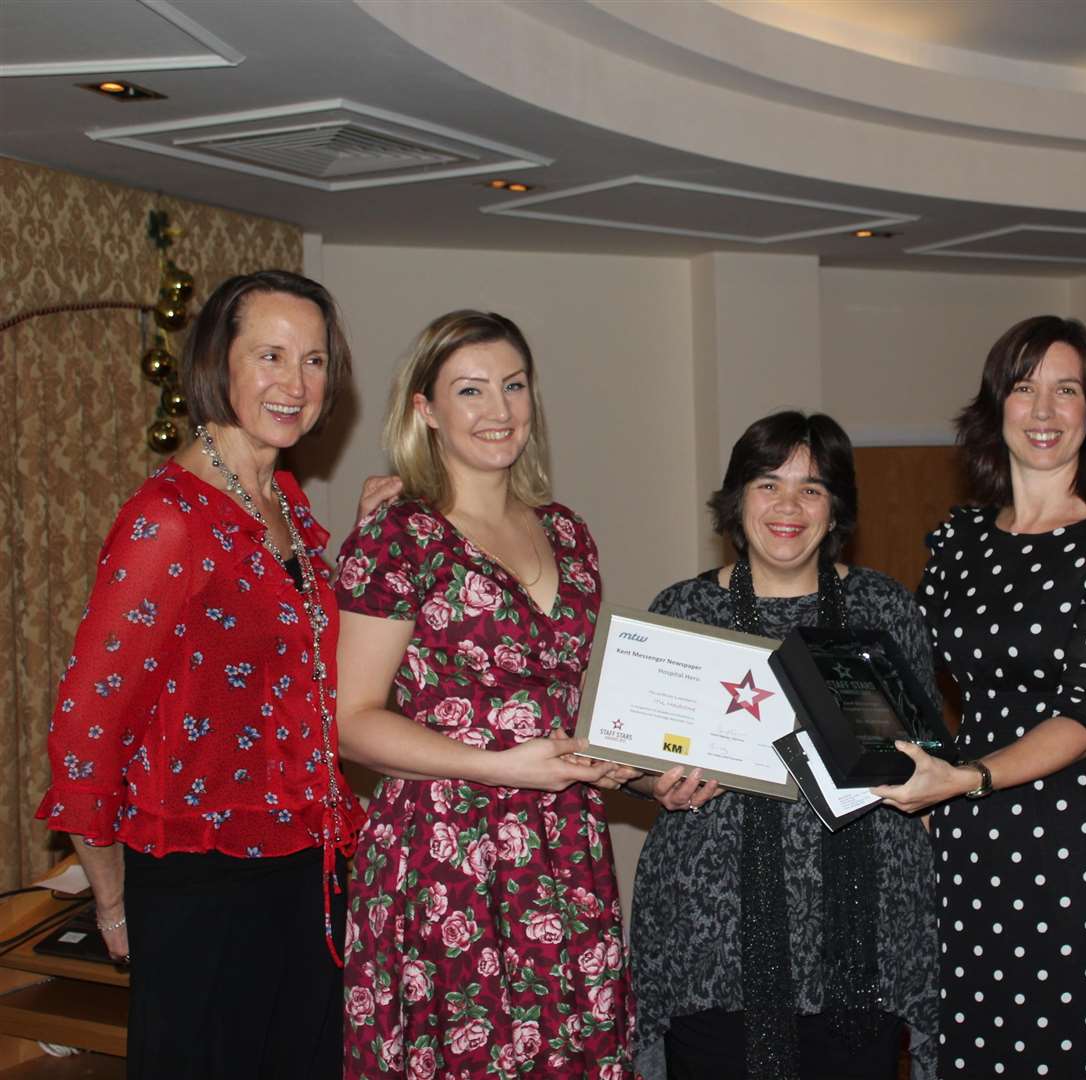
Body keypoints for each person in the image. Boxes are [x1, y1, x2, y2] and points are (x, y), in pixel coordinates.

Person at [35, 270, 365, 1076]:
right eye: (272, 356)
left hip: (306, 867)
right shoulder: (168, 518)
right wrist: (112, 899)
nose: (296, 383)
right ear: (219, 362)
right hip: (199, 880)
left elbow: (291, 666)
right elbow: (85, 729)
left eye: (315, 360)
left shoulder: (285, 502)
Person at [875, 315, 1086, 1077]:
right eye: (1024, 388)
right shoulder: (960, 539)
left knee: (1072, 1043)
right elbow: (912, 676)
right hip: (969, 833)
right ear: (996, 407)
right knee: (977, 1037)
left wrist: (970, 777)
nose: (1044, 412)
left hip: (1076, 829)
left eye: (1066, 390)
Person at [332, 311, 635, 1078]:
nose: (498, 411)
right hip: (442, 856)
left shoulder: (568, 533)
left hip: (563, 850)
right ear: (425, 409)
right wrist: (505, 768)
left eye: (513, 386)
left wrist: (634, 764)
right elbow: (349, 721)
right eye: (470, 391)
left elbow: (556, 707)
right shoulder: (396, 537)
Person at [627, 411, 940, 1080]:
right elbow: (632, 757)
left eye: (812, 488)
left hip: (862, 940)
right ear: (737, 499)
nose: (788, 506)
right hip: (712, 938)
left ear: (837, 508)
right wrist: (651, 782)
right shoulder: (682, 611)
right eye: (768, 484)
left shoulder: (886, 608)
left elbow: (928, 759)